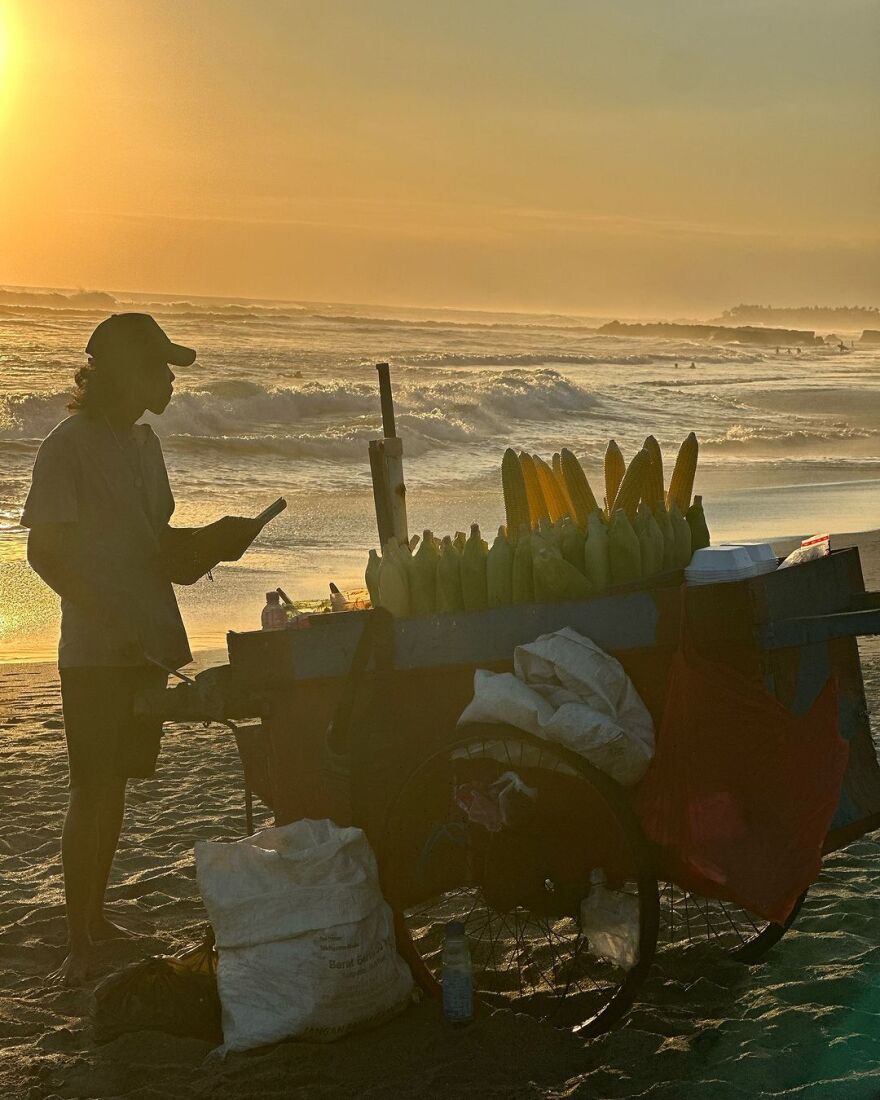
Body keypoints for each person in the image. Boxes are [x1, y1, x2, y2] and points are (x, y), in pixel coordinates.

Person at [21, 313, 263, 985]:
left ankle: (95, 921)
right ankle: (78, 941)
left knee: (117, 786)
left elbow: (158, 552)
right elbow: (44, 553)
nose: (169, 381)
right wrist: (110, 614)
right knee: (91, 788)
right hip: (96, 651)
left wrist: (215, 542)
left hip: (145, 645)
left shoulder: (145, 446)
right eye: (160, 369)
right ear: (125, 373)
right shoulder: (66, 448)